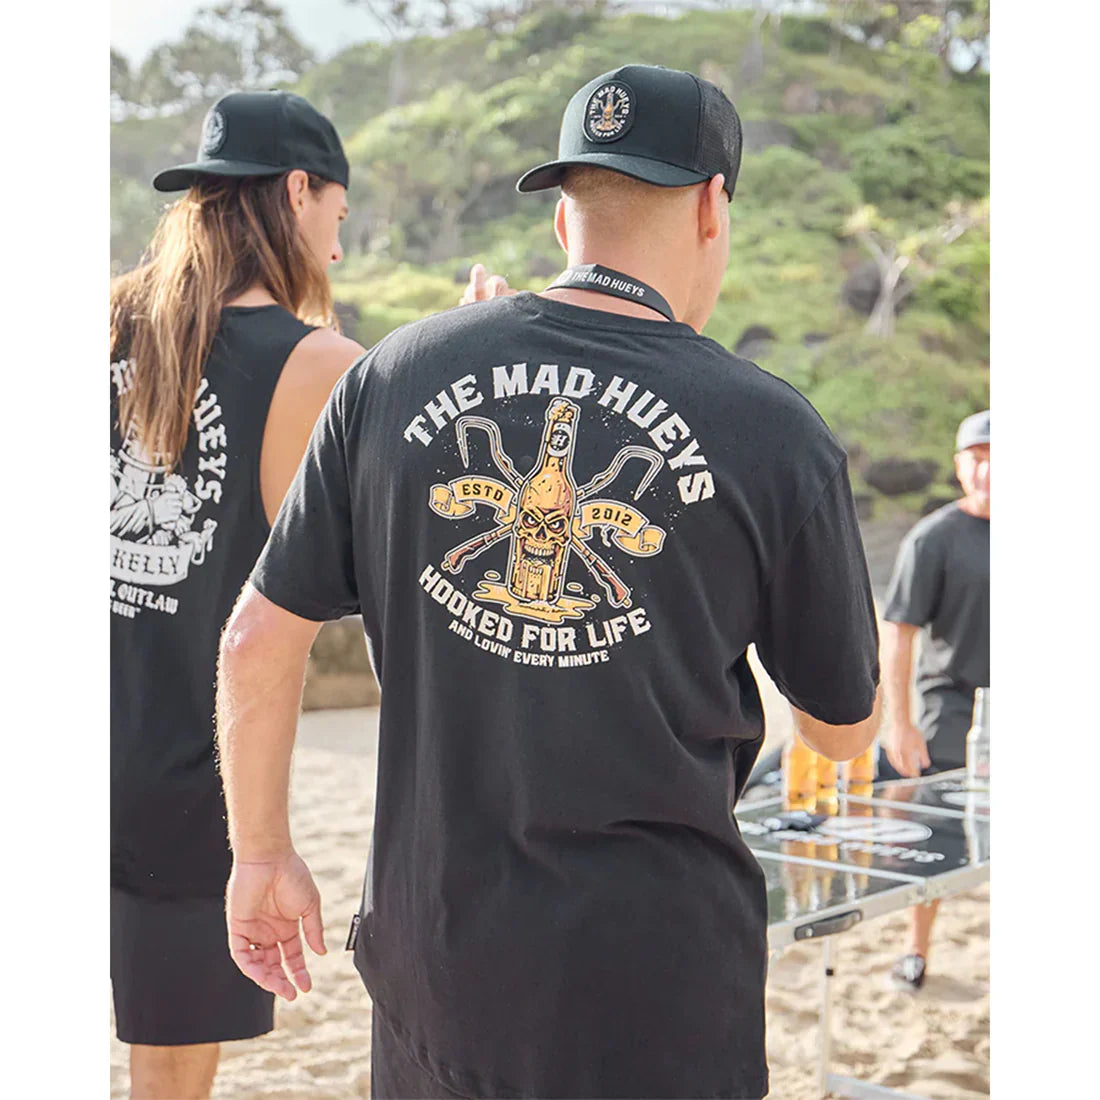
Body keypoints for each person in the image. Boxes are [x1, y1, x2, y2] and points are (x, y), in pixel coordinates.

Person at [216, 65, 881, 1099]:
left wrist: (260, 856)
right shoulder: (775, 433)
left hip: (438, 972)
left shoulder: (389, 375)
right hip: (656, 989)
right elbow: (841, 729)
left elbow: (254, 641)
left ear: (563, 212)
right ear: (713, 206)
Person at [110, 90, 365, 1099]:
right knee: (166, 1074)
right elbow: (358, 584)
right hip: (186, 781)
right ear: (298, 191)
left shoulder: (100, 318)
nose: (336, 248)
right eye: (337, 216)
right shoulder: (317, 365)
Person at [879, 409, 990, 991]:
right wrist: (901, 725)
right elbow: (899, 634)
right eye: (977, 459)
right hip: (949, 709)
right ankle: (915, 950)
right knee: (938, 837)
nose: (988, 471)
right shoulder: (933, 538)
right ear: (959, 466)